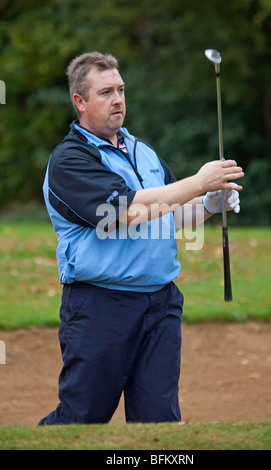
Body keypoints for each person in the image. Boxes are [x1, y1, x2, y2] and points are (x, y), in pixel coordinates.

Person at [39, 51, 244, 425]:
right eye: (105, 92)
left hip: (160, 304)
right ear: (79, 102)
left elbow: (170, 214)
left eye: (120, 90)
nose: (117, 99)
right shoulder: (69, 160)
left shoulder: (141, 151)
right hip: (101, 307)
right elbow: (125, 212)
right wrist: (198, 182)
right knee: (81, 420)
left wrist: (211, 204)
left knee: (158, 422)